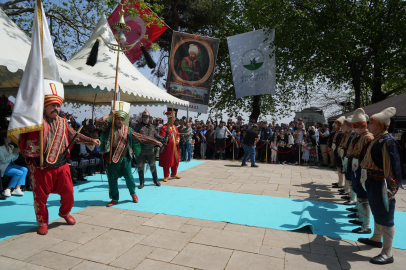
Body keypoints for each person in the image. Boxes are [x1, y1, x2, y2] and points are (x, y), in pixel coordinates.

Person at [19, 82, 100, 235]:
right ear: (44, 106)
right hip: (41, 166)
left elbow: (75, 136)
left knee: (69, 192)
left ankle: (64, 212)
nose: (55, 108)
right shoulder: (36, 121)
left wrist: (91, 140)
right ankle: (43, 222)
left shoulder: (63, 122)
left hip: (61, 165)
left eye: (58, 105)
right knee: (40, 198)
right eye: (52, 105)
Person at [96, 102, 162, 207]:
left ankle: (133, 194)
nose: (120, 121)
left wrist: (155, 141)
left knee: (129, 178)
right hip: (111, 159)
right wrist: (109, 115)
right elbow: (98, 122)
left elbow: (141, 138)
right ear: (115, 119)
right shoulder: (108, 128)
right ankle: (114, 198)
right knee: (112, 180)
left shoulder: (128, 130)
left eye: (122, 119)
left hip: (125, 159)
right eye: (118, 119)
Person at [358, 107, 401, 265]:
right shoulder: (377, 138)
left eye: (372, 122)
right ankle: (376, 238)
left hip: (380, 183)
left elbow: (391, 167)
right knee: (378, 211)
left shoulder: (387, 141)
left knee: (386, 217)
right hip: (371, 181)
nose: (368, 124)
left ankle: (387, 253)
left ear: (380, 125)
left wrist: (391, 189)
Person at [348, 109, 374, 234]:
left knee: (364, 197)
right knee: (359, 192)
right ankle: (361, 218)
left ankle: (366, 225)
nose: (354, 129)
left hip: (363, 168)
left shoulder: (367, 137)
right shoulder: (360, 136)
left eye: (355, 126)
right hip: (357, 166)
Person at [131, 109, 165, 189]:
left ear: (149, 118)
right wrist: (131, 117)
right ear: (142, 118)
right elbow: (128, 122)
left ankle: (155, 180)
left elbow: (156, 136)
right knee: (140, 166)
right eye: (144, 117)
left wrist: (163, 138)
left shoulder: (152, 127)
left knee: (153, 165)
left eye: (147, 117)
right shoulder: (137, 125)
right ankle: (141, 182)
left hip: (150, 150)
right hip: (140, 150)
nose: (146, 118)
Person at [0, 130, 27, 197]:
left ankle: (17, 188)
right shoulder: (0, 148)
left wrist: (16, 153)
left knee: (24, 169)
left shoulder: (11, 147)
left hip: (10, 165)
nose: (11, 139)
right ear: (4, 138)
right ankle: (8, 189)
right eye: (9, 137)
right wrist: (13, 153)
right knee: (19, 172)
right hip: (3, 166)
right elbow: (4, 160)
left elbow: (13, 159)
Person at [159, 110, 181, 181]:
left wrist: (178, 139)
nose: (174, 120)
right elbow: (161, 137)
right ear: (169, 119)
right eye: (173, 118)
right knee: (167, 161)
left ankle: (174, 173)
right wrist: (168, 136)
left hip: (175, 147)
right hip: (168, 148)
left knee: (176, 160)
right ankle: (166, 175)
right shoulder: (164, 127)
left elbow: (177, 135)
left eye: (174, 118)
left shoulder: (175, 127)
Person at [332, 116, 346, 189]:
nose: (335, 125)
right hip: (336, 150)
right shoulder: (337, 132)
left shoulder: (341, 133)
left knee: (340, 166)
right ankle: (339, 181)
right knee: (338, 166)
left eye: (336, 124)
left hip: (339, 151)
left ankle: (341, 183)